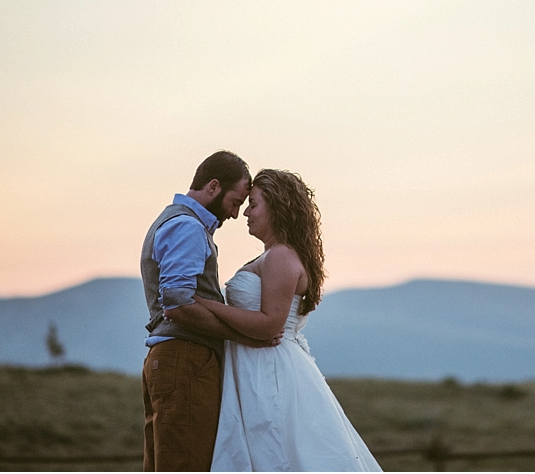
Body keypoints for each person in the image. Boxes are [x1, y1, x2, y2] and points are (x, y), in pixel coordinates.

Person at [189, 168, 382, 472]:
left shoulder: (280, 256)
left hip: (269, 370)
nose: (245, 214)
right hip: (256, 365)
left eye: (253, 204)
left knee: (276, 453)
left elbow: (269, 325)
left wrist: (206, 305)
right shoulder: (273, 255)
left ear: (276, 207)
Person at [140, 151, 279, 472]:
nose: (235, 214)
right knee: (187, 464)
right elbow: (177, 305)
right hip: (185, 359)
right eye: (234, 202)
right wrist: (243, 336)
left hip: (173, 359)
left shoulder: (176, 221)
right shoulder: (187, 227)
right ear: (213, 186)